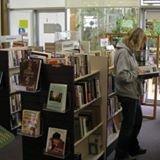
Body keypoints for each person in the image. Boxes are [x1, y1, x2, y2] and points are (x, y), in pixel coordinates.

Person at [114, 28, 147, 160]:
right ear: (137, 41)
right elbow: (122, 75)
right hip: (127, 94)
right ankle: (120, 155)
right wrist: (136, 73)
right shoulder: (124, 52)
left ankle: (133, 148)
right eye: (142, 43)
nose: (142, 46)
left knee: (137, 121)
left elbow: (130, 71)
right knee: (128, 126)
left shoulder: (130, 52)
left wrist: (139, 72)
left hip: (132, 92)